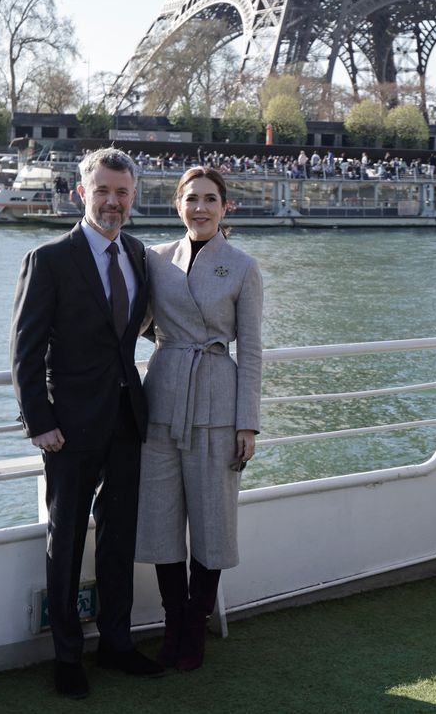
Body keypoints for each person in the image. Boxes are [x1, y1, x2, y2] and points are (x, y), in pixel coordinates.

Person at [9, 147, 163, 699]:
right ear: (81, 193)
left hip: (127, 419)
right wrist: (38, 422)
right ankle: (67, 656)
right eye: (102, 190)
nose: (113, 201)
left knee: (119, 538)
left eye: (122, 192)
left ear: (133, 196)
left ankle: (117, 644)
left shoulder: (141, 256)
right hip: (68, 428)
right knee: (67, 538)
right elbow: (24, 352)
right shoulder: (48, 259)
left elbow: (140, 329)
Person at [136, 166, 263, 672]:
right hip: (162, 397)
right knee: (163, 520)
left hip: (217, 399)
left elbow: (251, 350)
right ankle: (173, 623)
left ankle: (195, 626)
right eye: (192, 199)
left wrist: (246, 423)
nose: (201, 208)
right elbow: (138, 322)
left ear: (225, 207)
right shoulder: (154, 260)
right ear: (177, 205)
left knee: (211, 524)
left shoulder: (242, 267)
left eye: (211, 199)